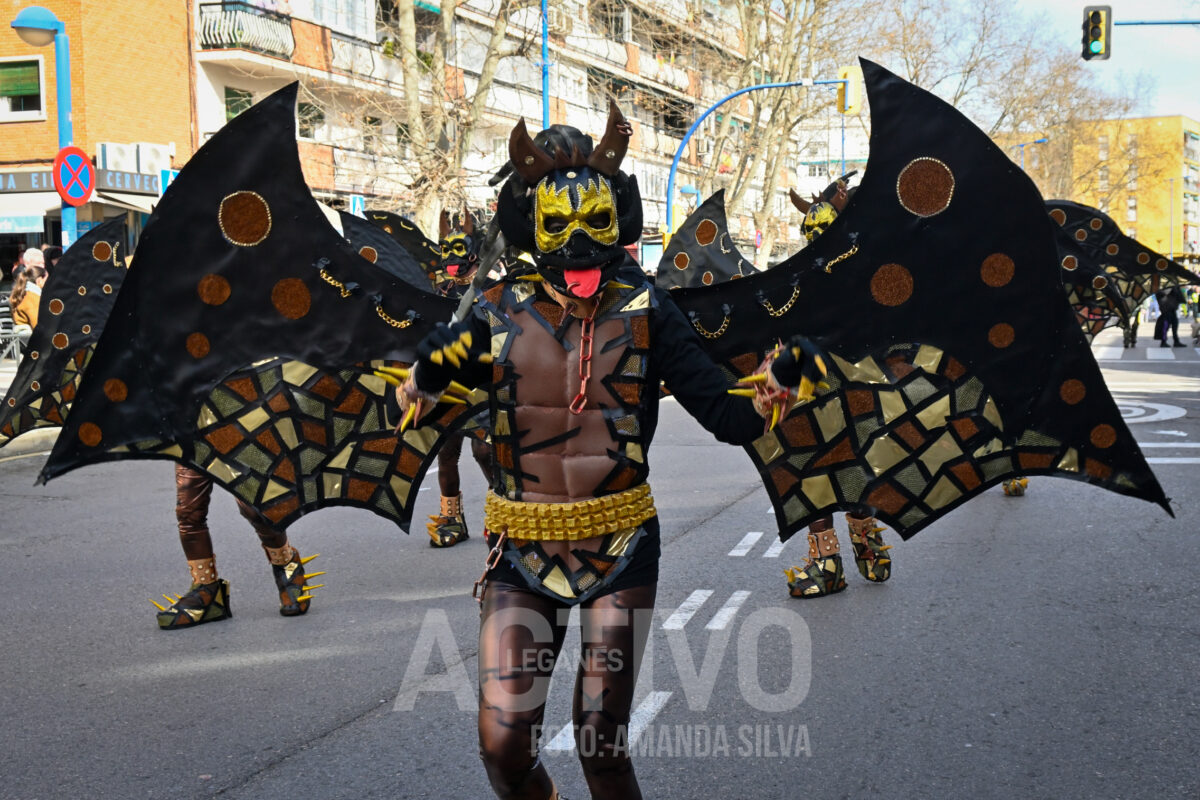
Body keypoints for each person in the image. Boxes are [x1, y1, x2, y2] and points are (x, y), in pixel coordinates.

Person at [387, 108, 819, 799]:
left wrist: (780, 383)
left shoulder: (648, 309)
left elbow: (729, 416)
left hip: (621, 548)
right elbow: (412, 417)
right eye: (561, 225)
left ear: (620, 216)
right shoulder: (493, 309)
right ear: (531, 223)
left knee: (600, 739)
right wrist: (426, 377)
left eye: (597, 221)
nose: (582, 242)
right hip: (518, 553)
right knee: (502, 747)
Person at [783, 176, 894, 598]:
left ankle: (834, 563)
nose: (815, 239)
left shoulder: (861, 273)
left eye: (823, 229)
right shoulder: (807, 277)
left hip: (852, 385)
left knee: (828, 469)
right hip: (822, 384)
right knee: (837, 468)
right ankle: (865, 549)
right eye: (810, 231)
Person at [152, 465, 325, 628]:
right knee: (188, 512)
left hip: (231, 434)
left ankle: (287, 564)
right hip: (190, 436)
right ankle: (206, 589)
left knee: (254, 508)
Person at [424, 209, 493, 547]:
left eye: (458, 249)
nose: (451, 257)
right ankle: (452, 518)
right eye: (445, 249)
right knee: (446, 452)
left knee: (485, 450)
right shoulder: (438, 292)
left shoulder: (493, 290)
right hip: (448, 383)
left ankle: (502, 512)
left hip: (484, 382)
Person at [9, 257, 47, 348]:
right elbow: (38, 325)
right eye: (47, 279)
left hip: (27, 343)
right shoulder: (32, 297)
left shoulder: (28, 294)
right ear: (39, 280)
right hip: (32, 344)